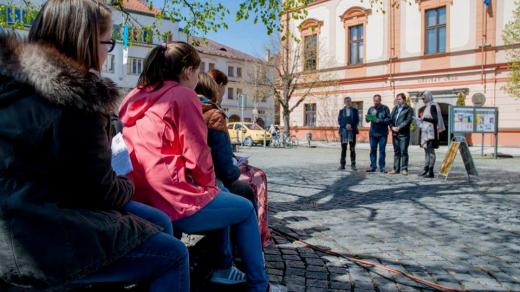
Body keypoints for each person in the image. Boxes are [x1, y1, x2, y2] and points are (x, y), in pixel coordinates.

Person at [0, 1, 188, 291]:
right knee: (173, 254)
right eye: (107, 41)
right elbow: (101, 191)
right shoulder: (75, 101)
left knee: (158, 222)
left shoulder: (14, 82)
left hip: (21, 217)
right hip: (37, 236)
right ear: (85, 42)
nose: (108, 50)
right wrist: (127, 181)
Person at [118, 42, 269, 292]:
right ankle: (258, 285)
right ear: (188, 71)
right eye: (198, 72)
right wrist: (208, 187)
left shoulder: (137, 96)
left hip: (138, 193)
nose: (198, 79)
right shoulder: (182, 95)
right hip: (169, 196)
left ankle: (222, 265)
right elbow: (198, 157)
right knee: (243, 209)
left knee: (220, 197)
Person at [199, 71, 257, 213]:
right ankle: (255, 232)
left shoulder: (183, 107)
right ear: (217, 87)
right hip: (208, 182)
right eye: (224, 90)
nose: (223, 94)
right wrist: (236, 168)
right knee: (249, 187)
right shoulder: (214, 114)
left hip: (186, 180)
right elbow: (225, 170)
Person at [419, 91, 445, 178]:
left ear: (428, 97)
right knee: (426, 151)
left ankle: (431, 171)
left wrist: (424, 118)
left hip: (431, 133)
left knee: (430, 151)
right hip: (426, 132)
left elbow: (435, 120)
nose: (423, 99)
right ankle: (425, 169)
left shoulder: (433, 106)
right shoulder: (427, 106)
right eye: (422, 98)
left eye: (424, 97)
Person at [388, 93, 414, 176]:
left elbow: (408, 120)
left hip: (403, 133)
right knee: (396, 152)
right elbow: (390, 119)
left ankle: (404, 169)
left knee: (403, 151)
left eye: (399, 99)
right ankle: (396, 169)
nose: (397, 100)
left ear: (403, 99)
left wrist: (399, 127)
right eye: (397, 99)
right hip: (395, 133)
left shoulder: (408, 109)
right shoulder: (395, 108)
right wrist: (392, 127)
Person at [365, 94, 391, 173]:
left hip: (382, 133)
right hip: (373, 133)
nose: (375, 102)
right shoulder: (371, 108)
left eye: (377, 101)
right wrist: (369, 117)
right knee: (373, 150)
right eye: (374, 101)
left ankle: (382, 167)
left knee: (382, 150)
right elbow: (367, 120)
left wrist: (381, 120)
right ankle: (373, 166)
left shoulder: (385, 108)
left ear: (380, 100)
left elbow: (389, 119)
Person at [337, 96, 359, 171]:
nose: (348, 103)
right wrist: (345, 125)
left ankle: (353, 165)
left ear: (351, 102)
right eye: (346, 101)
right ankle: (342, 165)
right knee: (343, 149)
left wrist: (351, 125)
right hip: (343, 132)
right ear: (344, 102)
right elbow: (339, 121)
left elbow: (357, 120)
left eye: (349, 101)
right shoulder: (341, 111)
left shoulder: (355, 111)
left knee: (352, 149)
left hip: (352, 131)